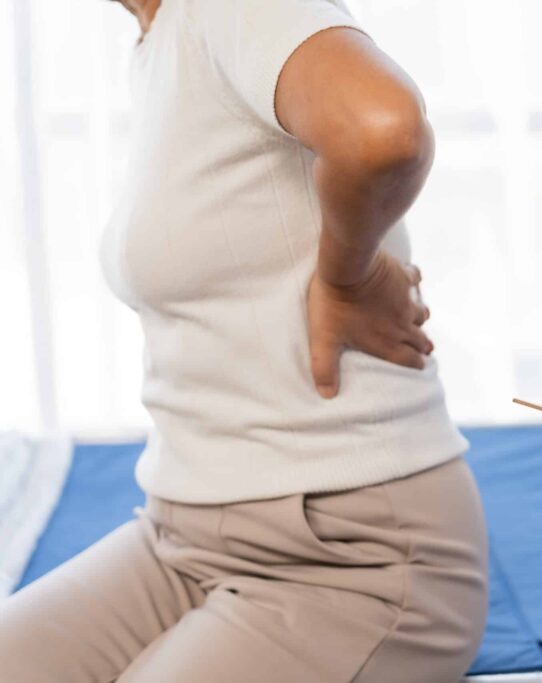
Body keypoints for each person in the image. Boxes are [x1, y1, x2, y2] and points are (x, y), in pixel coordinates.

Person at [0, 0, 487, 681]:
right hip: (180, 539)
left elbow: (383, 128)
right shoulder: (160, 41)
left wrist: (349, 278)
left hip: (352, 557)